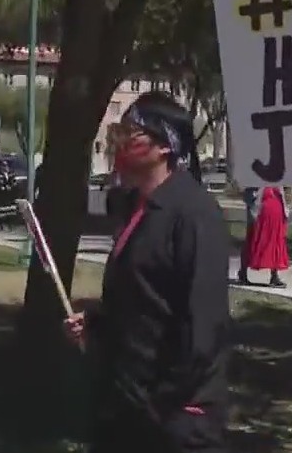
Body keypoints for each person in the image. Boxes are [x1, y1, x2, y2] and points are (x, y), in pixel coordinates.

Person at [63, 91, 231, 453]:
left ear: (165, 146)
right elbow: (143, 298)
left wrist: (163, 404)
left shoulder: (194, 214)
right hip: (126, 407)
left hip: (174, 419)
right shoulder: (137, 208)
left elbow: (202, 324)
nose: (119, 143)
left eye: (132, 133)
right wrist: (97, 325)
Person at [237, 186, 290, 287]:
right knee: (253, 239)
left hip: (276, 203)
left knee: (276, 241)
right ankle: (243, 273)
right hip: (259, 205)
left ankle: (274, 275)